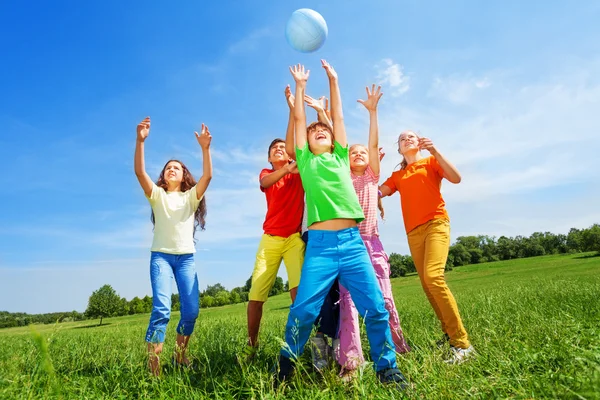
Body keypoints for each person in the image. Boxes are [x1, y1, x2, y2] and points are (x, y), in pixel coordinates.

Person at [274, 61, 407, 388]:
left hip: (352, 243)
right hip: (319, 247)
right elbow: (303, 119)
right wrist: (301, 87)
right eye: (312, 133)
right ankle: (285, 366)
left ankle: (387, 369)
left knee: (375, 308)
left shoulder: (339, 156)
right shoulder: (305, 161)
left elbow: (339, 118)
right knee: (302, 313)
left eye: (324, 131)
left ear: (334, 141)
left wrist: (334, 79)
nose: (319, 131)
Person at [380, 130, 475, 364]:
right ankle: (449, 335)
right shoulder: (398, 174)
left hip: (436, 223)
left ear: (420, 143)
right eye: (402, 139)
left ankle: (462, 344)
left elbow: (456, 178)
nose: (407, 139)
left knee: (434, 278)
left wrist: (435, 150)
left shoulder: (431, 161)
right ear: (400, 149)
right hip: (413, 232)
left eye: (411, 136)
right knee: (427, 285)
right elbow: (377, 191)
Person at [336, 85, 411, 380]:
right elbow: (338, 141)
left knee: (384, 299)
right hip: (349, 245)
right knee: (348, 304)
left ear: (370, 158)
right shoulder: (342, 176)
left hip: (373, 244)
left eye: (362, 152)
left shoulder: (371, 174)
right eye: (352, 152)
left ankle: (398, 347)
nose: (357, 154)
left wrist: (372, 112)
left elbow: (373, 140)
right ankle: (352, 362)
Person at [134, 117, 213, 376]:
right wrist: (140, 141)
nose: (172, 169)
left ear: (183, 176)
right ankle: (154, 367)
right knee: (162, 309)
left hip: (186, 259)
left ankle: (180, 355)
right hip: (161, 259)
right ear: (163, 176)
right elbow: (139, 172)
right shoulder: (157, 195)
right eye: (168, 167)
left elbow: (208, 176)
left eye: (177, 167)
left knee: (191, 311)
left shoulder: (190, 197)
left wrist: (205, 148)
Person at [243, 93, 306, 361]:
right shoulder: (267, 174)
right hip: (270, 239)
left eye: (283, 147)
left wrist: (292, 110)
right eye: (274, 149)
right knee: (256, 296)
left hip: (293, 239)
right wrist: (285, 171)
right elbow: (267, 183)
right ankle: (252, 346)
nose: (280, 149)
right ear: (269, 158)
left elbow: (292, 143)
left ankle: (298, 347)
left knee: (298, 293)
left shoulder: (299, 172)